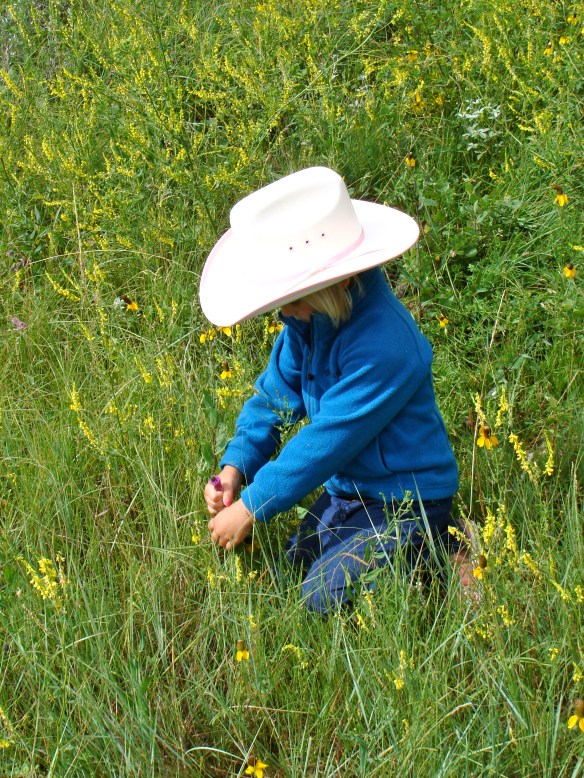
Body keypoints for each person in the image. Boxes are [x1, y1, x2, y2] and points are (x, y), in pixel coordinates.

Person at [200, 166, 460, 613]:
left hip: (409, 500)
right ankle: (415, 548)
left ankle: (444, 548)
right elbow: (275, 397)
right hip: (351, 492)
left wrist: (251, 507)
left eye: (291, 298)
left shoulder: (385, 347)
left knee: (324, 596)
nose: (284, 311)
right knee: (286, 572)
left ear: (337, 282)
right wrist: (235, 467)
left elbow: (325, 443)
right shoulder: (310, 320)